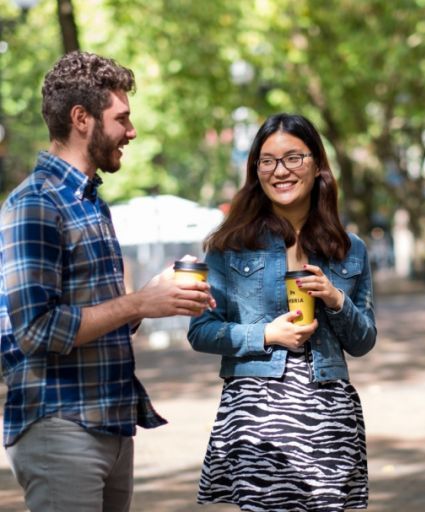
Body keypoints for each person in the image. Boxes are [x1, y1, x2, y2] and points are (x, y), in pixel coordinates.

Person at [0, 51, 214, 511]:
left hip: (110, 423)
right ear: (82, 118)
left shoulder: (90, 202)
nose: (131, 132)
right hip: (60, 425)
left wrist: (158, 297)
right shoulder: (35, 203)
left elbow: (97, 317)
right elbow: (37, 329)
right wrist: (138, 303)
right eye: (122, 118)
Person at [186, 113, 376, 510]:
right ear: (256, 171)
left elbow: (363, 341)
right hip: (258, 411)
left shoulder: (349, 247)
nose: (281, 171)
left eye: (294, 158)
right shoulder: (229, 244)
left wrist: (335, 299)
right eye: (268, 161)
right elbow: (201, 331)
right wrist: (267, 335)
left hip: (328, 411)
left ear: (317, 163)